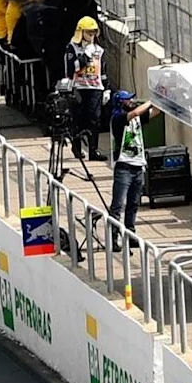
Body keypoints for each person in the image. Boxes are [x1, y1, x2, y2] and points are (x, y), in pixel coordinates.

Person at [61, 17, 108, 161]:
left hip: (95, 88)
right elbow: (70, 69)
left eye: (94, 32)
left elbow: (103, 69)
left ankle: (93, 151)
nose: (92, 36)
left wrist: (106, 88)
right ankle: (77, 148)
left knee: (94, 119)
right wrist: (83, 59)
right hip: (79, 87)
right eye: (89, 32)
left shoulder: (98, 50)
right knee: (78, 119)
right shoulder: (72, 48)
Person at [108, 93, 154, 232]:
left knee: (133, 204)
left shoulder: (137, 118)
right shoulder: (118, 119)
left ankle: (130, 233)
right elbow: (135, 112)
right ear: (121, 102)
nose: (132, 101)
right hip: (124, 168)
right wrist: (151, 101)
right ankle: (114, 237)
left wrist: (162, 100)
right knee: (118, 204)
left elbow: (155, 112)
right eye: (129, 99)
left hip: (138, 166)